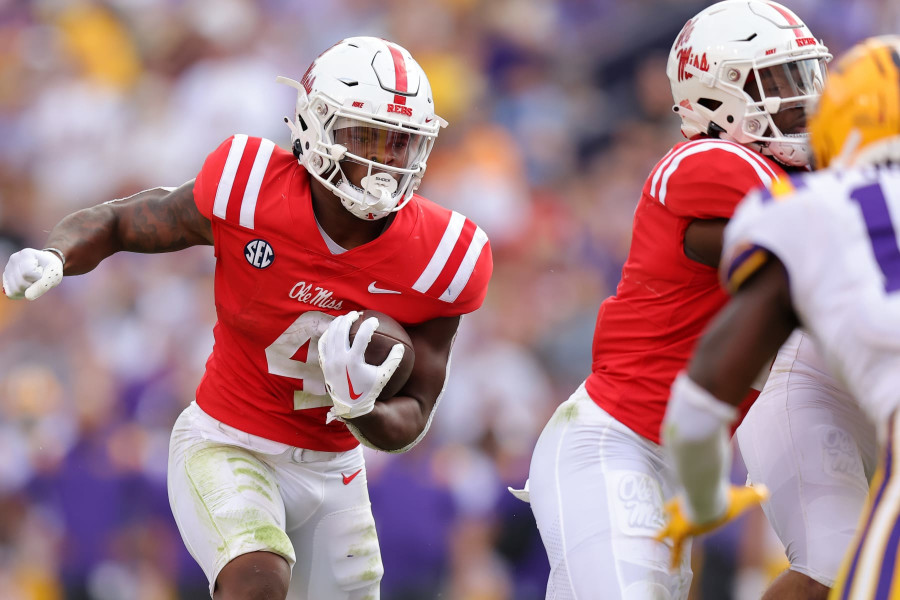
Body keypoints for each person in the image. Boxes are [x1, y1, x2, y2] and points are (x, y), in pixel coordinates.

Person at [2, 36, 492, 600]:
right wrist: (57, 254)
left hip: (334, 470)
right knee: (256, 579)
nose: (382, 163)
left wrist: (362, 408)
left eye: (399, 144)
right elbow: (123, 222)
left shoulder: (443, 254)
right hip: (226, 441)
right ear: (315, 126)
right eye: (366, 138)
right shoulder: (250, 187)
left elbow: (415, 413)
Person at [518, 1, 830, 597]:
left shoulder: (798, 182)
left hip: (678, 468)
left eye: (805, 77)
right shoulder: (707, 161)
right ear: (717, 98)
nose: (803, 99)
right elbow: (811, 238)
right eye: (782, 81)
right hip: (614, 444)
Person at [656, 34, 900, 600]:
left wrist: (700, 499)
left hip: (858, 397)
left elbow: (704, 390)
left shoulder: (801, 211)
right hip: (816, 393)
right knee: (831, 571)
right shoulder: (805, 206)